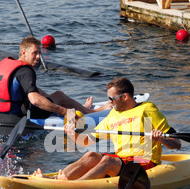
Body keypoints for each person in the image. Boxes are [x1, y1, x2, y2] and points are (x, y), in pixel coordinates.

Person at [34, 77, 181, 180]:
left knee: (108, 160)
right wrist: (72, 133)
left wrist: (160, 138)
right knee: (91, 155)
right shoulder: (113, 115)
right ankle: (54, 178)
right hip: (122, 160)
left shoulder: (148, 110)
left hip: (143, 160)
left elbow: (177, 144)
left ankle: (75, 185)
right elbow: (85, 142)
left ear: (125, 97)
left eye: (112, 98)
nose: (109, 102)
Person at [0, 36, 110, 127]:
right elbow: (35, 100)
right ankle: (91, 111)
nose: (38, 57)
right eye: (35, 53)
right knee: (59, 95)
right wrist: (64, 111)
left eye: (39, 53)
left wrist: (46, 98)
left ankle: (80, 107)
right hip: (19, 118)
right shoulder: (26, 71)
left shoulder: (4, 65)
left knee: (43, 93)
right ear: (24, 53)